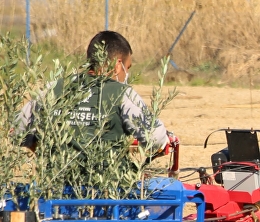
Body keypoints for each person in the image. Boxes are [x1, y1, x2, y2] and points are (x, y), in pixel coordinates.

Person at [17, 31, 172, 187]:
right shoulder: (123, 94)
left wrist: (44, 153)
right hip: (107, 193)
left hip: (57, 189)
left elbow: (18, 128)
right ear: (118, 65)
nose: (127, 74)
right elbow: (156, 138)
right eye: (127, 67)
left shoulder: (54, 88)